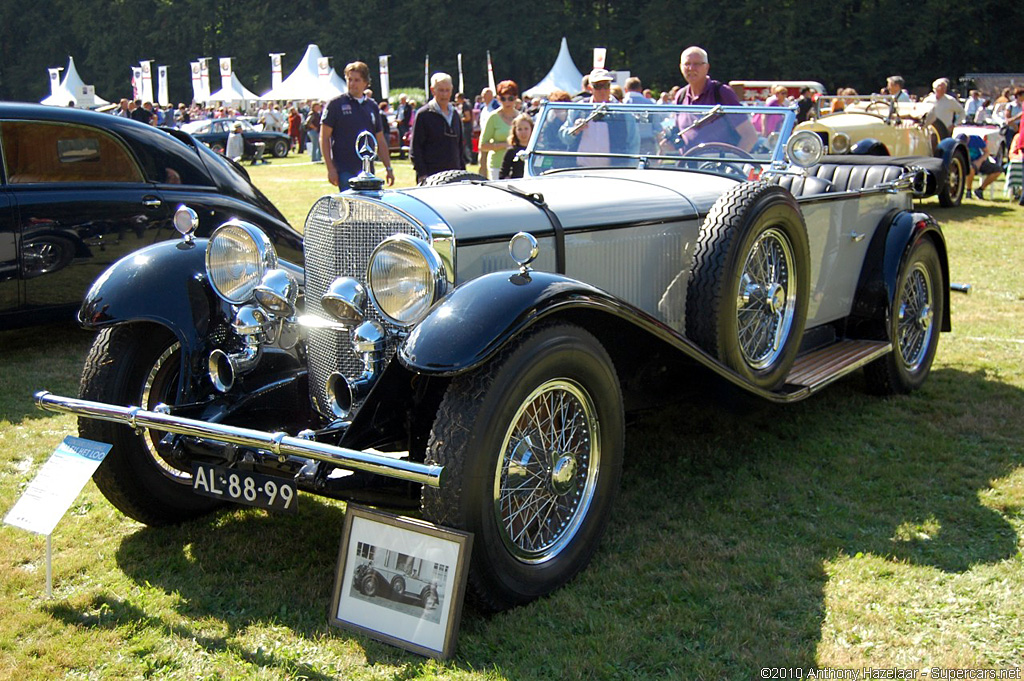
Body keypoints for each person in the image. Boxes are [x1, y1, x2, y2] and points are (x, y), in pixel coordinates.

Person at [664, 46, 757, 153]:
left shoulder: (721, 93)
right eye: (687, 64)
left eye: (697, 64)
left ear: (707, 67)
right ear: (681, 67)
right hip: (687, 166)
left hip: (716, 167)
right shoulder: (681, 96)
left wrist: (732, 164)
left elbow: (750, 136)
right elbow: (678, 134)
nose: (691, 68)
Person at [320, 61, 395, 188]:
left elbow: (380, 139)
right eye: (350, 79)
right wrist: (330, 168)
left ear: (365, 82)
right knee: (349, 206)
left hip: (367, 169)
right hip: (344, 169)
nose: (352, 84)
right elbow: (324, 137)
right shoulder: (335, 104)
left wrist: (388, 168)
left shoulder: (372, 106)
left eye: (357, 80)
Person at [559, 68, 638, 166]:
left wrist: (630, 167)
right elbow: (563, 137)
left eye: (606, 85)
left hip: (614, 172)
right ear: (590, 88)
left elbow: (633, 144)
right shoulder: (578, 108)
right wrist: (574, 130)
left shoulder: (623, 112)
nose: (602, 90)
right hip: (580, 170)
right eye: (598, 86)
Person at [410, 73, 466, 183]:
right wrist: (422, 174)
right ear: (433, 90)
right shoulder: (424, 115)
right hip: (432, 177)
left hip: (455, 176)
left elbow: (460, 146)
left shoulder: (455, 114)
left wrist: (463, 172)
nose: (444, 94)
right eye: (441, 90)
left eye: (447, 90)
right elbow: (415, 148)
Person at [479, 80, 520, 180]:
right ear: (498, 99)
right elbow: (483, 145)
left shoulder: (521, 117)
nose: (507, 102)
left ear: (516, 98)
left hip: (518, 165)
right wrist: (504, 145)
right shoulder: (493, 117)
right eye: (503, 98)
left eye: (510, 98)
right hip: (497, 165)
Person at [957, 133, 1002, 200]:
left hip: (980, 161)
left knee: (998, 170)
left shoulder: (976, 139)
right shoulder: (957, 144)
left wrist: (979, 161)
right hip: (967, 164)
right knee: (971, 169)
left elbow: (987, 152)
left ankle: (980, 190)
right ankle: (968, 191)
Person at [499, 113, 533, 179]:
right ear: (515, 131)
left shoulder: (537, 150)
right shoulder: (511, 151)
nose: (523, 132)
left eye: (526, 129)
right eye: (520, 129)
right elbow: (503, 174)